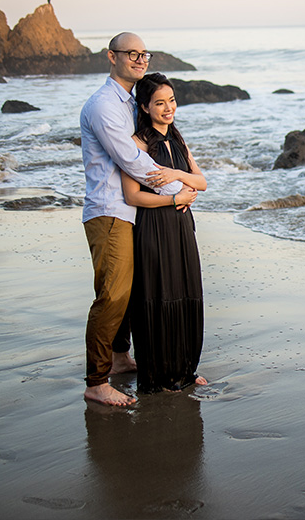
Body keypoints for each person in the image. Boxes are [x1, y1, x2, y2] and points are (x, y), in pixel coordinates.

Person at [79, 32, 190, 406]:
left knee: (131, 292)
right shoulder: (104, 106)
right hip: (111, 210)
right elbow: (131, 159)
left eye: (144, 53)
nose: (139, 59)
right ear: (112, 57)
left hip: (134, 212)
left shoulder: (131, 103)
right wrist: (174, 189)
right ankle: (96, 381)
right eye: (131, 53)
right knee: (113, 295)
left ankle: (120, 357)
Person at [122, 73, 208, 393]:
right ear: (144, 107)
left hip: (182, 224)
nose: (168, 108)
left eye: (171, 100)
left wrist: (175, 174)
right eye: (159, 103)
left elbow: (202, 182)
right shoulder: (137, 143)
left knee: (186, 292)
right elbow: (132, 196)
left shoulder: (178, 138)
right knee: (158, 296)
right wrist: (174, 197)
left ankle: (185, 371)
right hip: (154, 226)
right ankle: (158, 377)